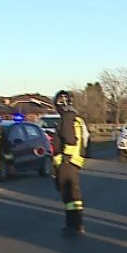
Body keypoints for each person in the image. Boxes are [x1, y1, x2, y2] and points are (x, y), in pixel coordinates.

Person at [53, 90, 90, 236]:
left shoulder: (66, 118)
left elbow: (69, 139)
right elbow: (85, 138)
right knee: (74, 193)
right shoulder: (77, 118)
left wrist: (65, 158)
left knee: (68, 194)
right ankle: (78, 223)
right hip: (75, 161)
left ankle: (72, 224)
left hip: (67, 162)